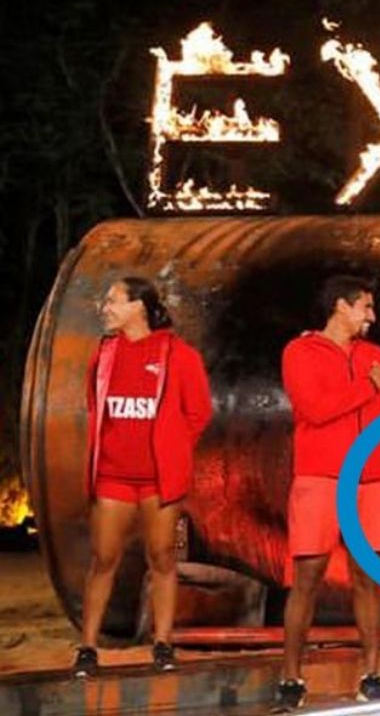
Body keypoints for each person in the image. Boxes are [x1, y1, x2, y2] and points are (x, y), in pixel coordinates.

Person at [275, 276, 380, 710]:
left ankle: (372, 675)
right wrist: (367, 387)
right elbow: (315, 410)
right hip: (321, 479)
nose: (372, 316)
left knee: (369, 579)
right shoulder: (300, 352)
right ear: (340, 306)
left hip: (370, 481)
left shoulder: (376, 356)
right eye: (365, 307)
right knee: (307, 578)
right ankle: (291, 678)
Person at [75, 277, 213, 678]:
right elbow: (94, 403)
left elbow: (199, 413)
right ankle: (88, 647)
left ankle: (163, 643)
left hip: (158, 481)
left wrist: (172, 450)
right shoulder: (104, 354)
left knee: (162, 557)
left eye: (114, 300)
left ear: (139, 307)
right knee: (104, 558)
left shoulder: (179, 354)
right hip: (113, 476)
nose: (105, 307)